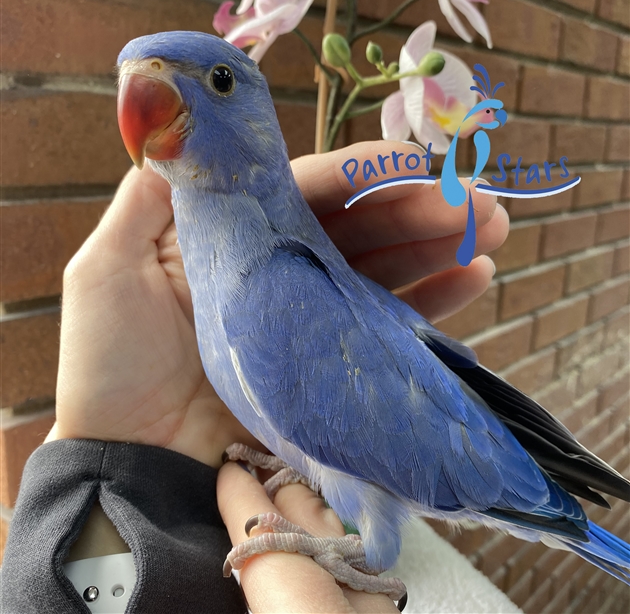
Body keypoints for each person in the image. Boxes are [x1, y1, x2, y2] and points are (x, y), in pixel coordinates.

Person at [1, 141, 508, 613]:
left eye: (220, 83)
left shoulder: (275, 286)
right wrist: (105, 457)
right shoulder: (217, 278)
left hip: (459, 473)